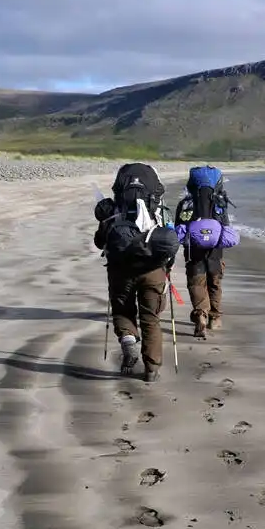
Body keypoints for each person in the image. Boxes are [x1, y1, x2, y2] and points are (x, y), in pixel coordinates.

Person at [93, 163, 180, 381]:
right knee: (151, 318)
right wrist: (168, 267)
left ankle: (129, 341)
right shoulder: (161, 211)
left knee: (123, 311)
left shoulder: (114, 211)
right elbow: (172, 241)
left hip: (120, 270)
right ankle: (151, 369)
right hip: (153, 270)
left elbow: (99, 242)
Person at [173, 165, 240, 339]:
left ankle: (201, 315)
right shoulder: (220, 202)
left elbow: (178, 228)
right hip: (215, 252)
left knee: (197, 284)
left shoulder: (186, 203)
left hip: (193, 251)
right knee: (215, 283)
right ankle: (215, 318)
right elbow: (225, 227)